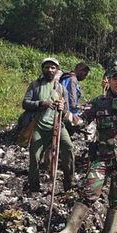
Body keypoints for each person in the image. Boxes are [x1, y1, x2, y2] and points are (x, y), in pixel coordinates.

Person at [50, 67, 117, 233]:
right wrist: (65, 113)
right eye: (115, 79)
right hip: (101, 157)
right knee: (89, 191)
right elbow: (81, 121)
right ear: (108, 81)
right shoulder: (99, 103)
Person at [21, 57, 75, 192]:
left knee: (69, 148)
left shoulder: (61, 89)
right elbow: (25, 103)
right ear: (43, 69)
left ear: (57, 70)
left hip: (57, 125)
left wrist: (62, 108)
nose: (49, 70)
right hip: (39, 126)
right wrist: (41, 103)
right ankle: (34, 187)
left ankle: (69, 183)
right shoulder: (35, 85)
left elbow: (67, 111)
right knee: (34, 155)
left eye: (53, 68)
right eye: (47, 67)